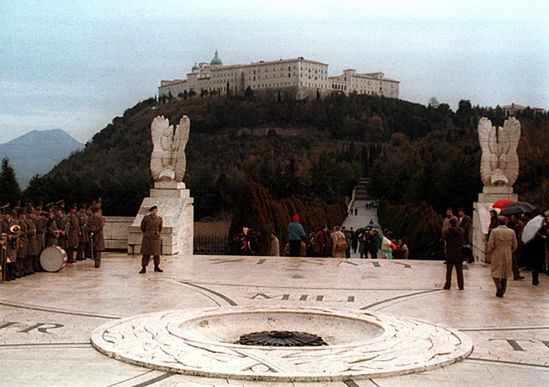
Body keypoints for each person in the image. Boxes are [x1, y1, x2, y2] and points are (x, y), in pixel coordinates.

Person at [487, 216, 517, 297]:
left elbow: (490, 244)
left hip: (497, 253)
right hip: (507, 253)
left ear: (498, 222)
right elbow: (515, 245)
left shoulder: (494, 231)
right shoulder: (512, 232)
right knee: (505, 273)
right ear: (506, 222)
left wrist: (490, 251)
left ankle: (499, 288)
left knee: (495, 272)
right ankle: (502, 291)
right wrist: (510, 251)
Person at [525, 215, 548, 286]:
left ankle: (535, 278)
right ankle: (535, 279)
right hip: (538, 248)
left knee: (536, 264)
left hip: (536, 249)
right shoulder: (540, 228)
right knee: (536, 264)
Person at [443, 218, 465, 290]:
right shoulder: (461, 231)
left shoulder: (447, 232)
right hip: (459, 253)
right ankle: (461, 285)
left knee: (449, 271)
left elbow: (443, 238)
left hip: (450, 253)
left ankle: (447, 285)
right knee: (459, 271)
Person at [139, 206, 163, 273]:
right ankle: (143, 267)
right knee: (146, 253)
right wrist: (147, 233)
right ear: (151, 211)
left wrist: (157, 233)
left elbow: (160, 228)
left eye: (156, 211)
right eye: (154, 211)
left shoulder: (159, 219)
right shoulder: (146, 218)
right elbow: (142, 227)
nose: (155, 212)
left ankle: (156, 266)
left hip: (156, 237)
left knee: (156, 253)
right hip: (148, 237)